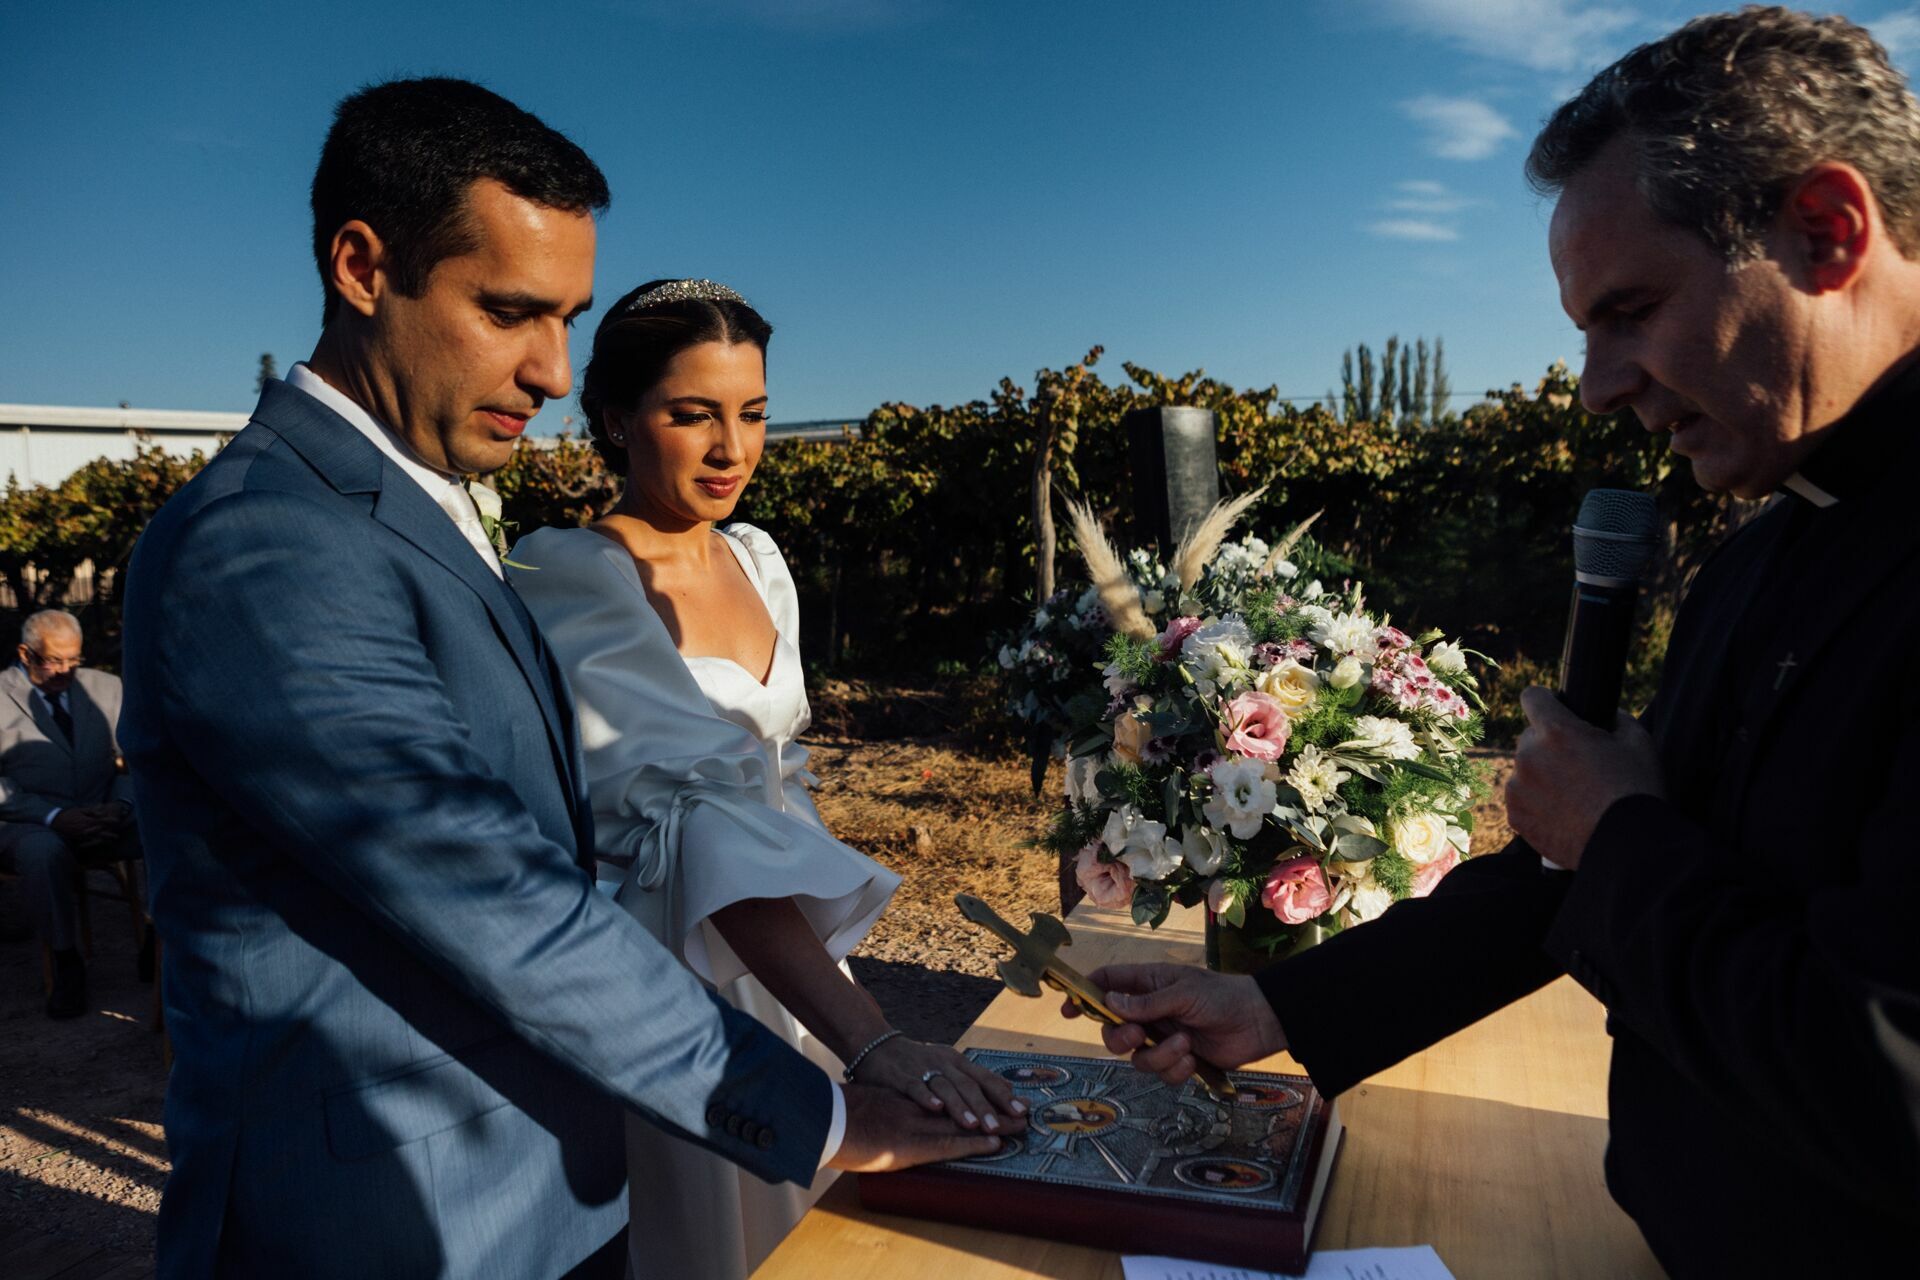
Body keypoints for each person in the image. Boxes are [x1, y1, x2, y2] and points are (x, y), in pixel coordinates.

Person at [120, 78, 1009, 1280]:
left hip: (554, 1177)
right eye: (508, 311)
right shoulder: (265, 540)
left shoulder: (410, 515)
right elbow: (485, 887)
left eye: (569, 319)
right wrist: (829, 1111)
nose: (549, 369)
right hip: (393, 1221)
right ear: (363, 266)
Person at [1076, 9, 1920, 1274]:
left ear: (1827, 231)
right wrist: (1279, 1003)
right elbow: (1584, 876)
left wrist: (1618, 834)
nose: (1595, 385)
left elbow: (1891, 1077)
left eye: (1630, 308)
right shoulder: (1767, 539)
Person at [508, 278, 1023, 1280]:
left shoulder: (758, 557)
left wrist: (837, 997)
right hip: (676, 973)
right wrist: (873, 1041)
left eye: (751, 415)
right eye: (690, 414)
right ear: (614, 418)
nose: (731, 449)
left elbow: (778, 786)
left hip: (790, 966)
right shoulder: (569, 572)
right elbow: (695, 823)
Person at [0, 609, 137, 1017]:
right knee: (44, 853)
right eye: (53, 660)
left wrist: (121, 804)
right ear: (25, 654)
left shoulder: (105, 688)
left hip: (102, 813)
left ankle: (159, 939)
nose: (65, 670)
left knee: (169, 826)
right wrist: (54, 816)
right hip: (27, 822)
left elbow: (134, 759)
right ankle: (65, 961)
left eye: (73, 659)